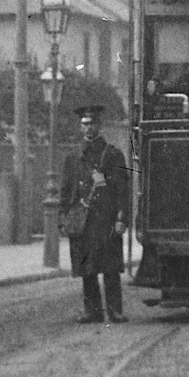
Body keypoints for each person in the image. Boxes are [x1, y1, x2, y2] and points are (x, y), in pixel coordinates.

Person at [59, 105, 129, 323]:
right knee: (87, 267)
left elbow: (122, 189)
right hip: (83, 219)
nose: (89, 128)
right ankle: (92, 311)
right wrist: (64, 217)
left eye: (92, 123)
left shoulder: (113, 154)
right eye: (85, 124)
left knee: (110, 267)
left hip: (105, 218)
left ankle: (115, 310)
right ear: (80, 127)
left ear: (99, 126)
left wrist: (121, 218)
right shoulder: (73, 157)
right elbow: (66, 189)